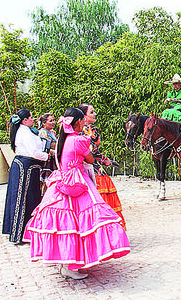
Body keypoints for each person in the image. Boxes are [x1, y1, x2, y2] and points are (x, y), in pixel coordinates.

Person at [23, 107, 130, 280]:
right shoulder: (80, 140)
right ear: (79, 122)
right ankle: (72, 265)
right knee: (85, 220)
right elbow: (90, 159)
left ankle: (66, 262)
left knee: (64, 224)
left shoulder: (61, 140)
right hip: (78, 181)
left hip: (61, 180)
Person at [2, 109, 49, 244]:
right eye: (31, 117)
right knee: (22, 198)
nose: (33, 120)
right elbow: (33, 152)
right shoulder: (24, 133)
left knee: (30, 197)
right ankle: (19, 233)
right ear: (24, 120)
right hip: (25, 167)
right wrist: (47, 156)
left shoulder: (27, 131)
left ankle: (26, 231)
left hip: (29, 167)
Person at [78, 103, 126, 230]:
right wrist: (106, 160)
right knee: (101, 197)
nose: (94, 114)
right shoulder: (91, 129)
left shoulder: (75, 130)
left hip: (79, 167)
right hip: (93, 167)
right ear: (84, 115)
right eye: (91, 112)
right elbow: (92, 151)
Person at [38, 113, 58, 195]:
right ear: (44, 123)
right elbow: (44, 149)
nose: (53, 122)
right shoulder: (43, 133)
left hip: (53, 160)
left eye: (53, 120)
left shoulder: (52, 133)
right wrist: (55, 152)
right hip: (48, 162)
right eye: (50, 121)